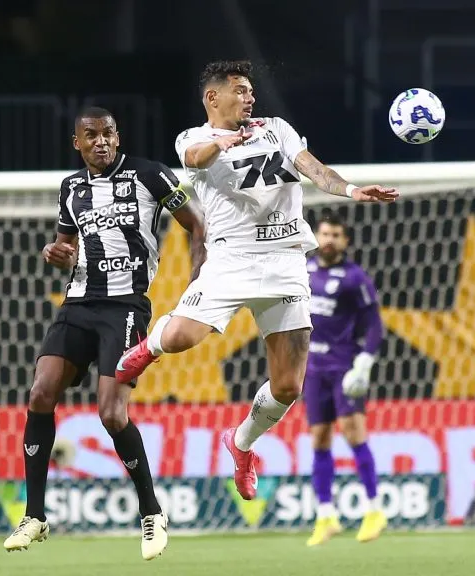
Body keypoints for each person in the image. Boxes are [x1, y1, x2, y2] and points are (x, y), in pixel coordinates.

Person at [113, 60, 398, 502]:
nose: (250, 97)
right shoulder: (194, 137)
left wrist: (353, 190)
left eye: (250, 91)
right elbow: (195, 159)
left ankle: (241, 443)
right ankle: (147, 348)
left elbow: (315, 170)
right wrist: (226, 141)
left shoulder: (277, 128)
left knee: (288, 387)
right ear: (214, 97)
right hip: (232, 260)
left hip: (285, 261)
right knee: (184, 338)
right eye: (241, 90)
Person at [3, 106, 207, 560]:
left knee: (112, 415)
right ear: (77, 143)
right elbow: (66, 246)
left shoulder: (151, 175)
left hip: (126, 307)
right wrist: (56, 253)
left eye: (108, 133)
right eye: (91, 135)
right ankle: (35, 515)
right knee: (40, 393)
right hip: (78, 304)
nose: (101, 141)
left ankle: (151, 512)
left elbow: (198, 224)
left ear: (118, 136)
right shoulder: (71, 188)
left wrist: (198, 283)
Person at [302, 212, 386, 546]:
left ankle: (374, 509)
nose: (329, 240)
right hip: (312, 368)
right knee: (319, 438)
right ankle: (326, 516)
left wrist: (364, 362)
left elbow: (375, 324)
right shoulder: (302, 270)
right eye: (325, 233)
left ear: (345, 240)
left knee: (354, 434)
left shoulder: (355, 278)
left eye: (336, 234)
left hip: (343, 367)